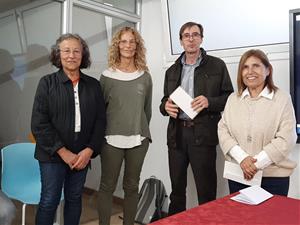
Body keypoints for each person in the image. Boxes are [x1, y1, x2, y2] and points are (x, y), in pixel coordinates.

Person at [159, 21, 233, 215]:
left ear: (201, 38)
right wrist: (165, 106)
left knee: (206, 191)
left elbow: (229, 98)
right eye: (186, 35)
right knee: (177, 190)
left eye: (195, 35)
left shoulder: (217, 65)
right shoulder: (171, 71)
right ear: (181, 41)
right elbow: (164, 100)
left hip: (203, 134)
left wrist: (210, 102)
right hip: (177, 135)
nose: (190, 39)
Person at [31, 33, 106, 225]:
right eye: (66, 51)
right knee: (49, 201)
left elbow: (100, 122)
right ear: (58, 54)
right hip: (52, 155)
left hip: (82, 156)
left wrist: (89, 150)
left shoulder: (94, 85)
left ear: (83, 55)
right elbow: (39, 124)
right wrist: (63, 152)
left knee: (74, 199)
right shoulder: (46, 83)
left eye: (76, 51)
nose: (71, 55)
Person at [218, 49, 297, 196]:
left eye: (256, 66)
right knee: (241, 218)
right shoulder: (233, 99)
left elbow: (286, 139)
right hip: (237, 175)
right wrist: (242, 159)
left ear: (268, 70)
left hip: (272, 179)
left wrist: (254, 165)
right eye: (245, 67)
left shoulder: (282, 99)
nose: (250, 71)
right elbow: (223, 131)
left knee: (270, 219)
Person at [97, 26, 152, 225]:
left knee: (132, 187)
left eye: (132, 41)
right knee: (107, 186)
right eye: (123, 41)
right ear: (117, 45)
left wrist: (141, 131)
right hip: (110, 139)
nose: (128, 45)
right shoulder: (107, 75)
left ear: (137, 46)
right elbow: (100, 112)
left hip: (138, 140)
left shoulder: (145, 76)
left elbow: (147, 111)